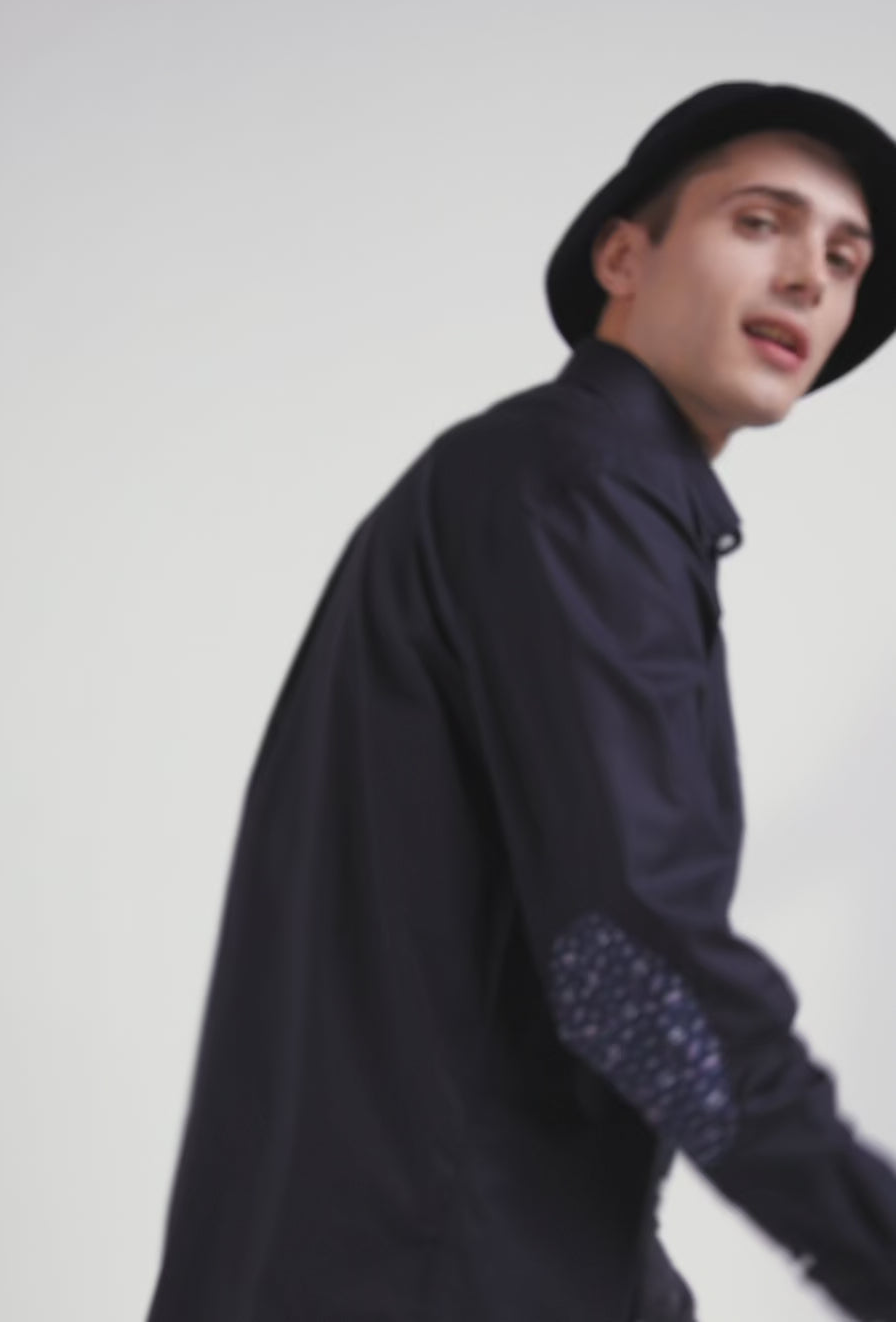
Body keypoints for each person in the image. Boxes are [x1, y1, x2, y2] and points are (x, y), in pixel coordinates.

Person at [144, 82, 896, 1322]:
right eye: (761, 222)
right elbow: (630, 963)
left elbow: (534, 982)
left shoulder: (559, 489)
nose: (811, 276)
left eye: (847, 257)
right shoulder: (577, 491)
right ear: (623, 257)